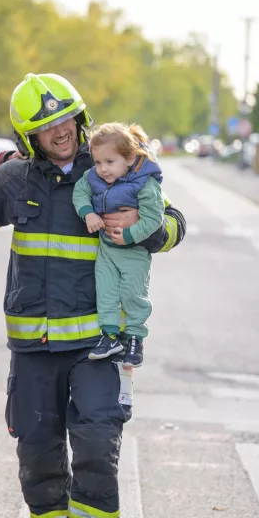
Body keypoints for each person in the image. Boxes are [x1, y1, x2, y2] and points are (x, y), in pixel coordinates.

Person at [0, 73, 186, 518]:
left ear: (80, 118)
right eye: (45, 126)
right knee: (36, 447)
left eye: (64, 119)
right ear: (29, 136)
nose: (59, 131)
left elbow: (174, 221)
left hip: (96, 342)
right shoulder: (17, 177)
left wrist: (149, 227)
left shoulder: (111, 166)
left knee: (95, 446)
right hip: (33, 344)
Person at [71, 122, 165, 366]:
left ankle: (135, 337)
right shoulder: (93, 177)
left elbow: (155, 218)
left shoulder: (145, 184)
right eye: (98, 162)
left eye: (110, 162)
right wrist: (87, 213)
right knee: (106, 293)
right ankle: (110, 336)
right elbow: (80, 192)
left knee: (133, 294)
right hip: (107, 250)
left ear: (130, 158)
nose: (102, 169)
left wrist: (131, 234)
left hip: (134, 252)